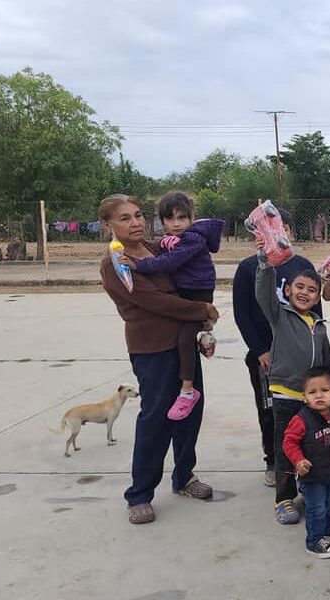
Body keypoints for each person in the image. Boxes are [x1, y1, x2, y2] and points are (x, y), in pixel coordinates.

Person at [98, 194, 218, 525]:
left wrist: (200, 329)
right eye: (125, 218)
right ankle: (139, 493)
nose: (135, 222)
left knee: (190, 409)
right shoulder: (115, 263)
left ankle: (184, 477)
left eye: (138, 215)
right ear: (109, 225)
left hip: (183, 342)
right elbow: (156, 301)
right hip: (152, 348)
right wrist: (203, 310)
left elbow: (186, 282)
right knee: (156, 419)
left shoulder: (157, 248)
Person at [232, 207, 321, 487]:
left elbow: (315, 311)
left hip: (298, 359)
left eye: (278, 228)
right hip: (266, 358)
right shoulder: (249, 268)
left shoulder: (303, 265)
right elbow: (242, 314)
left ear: (289, 232)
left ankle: (306, 459)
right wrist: (260, 350)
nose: (272, 234)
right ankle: (273, 460)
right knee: (270, 411)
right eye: (264, 229)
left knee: (306, 410)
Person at [122, 191, 224, 420]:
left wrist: (138, 265)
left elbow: (171, 261)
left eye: (181, 218)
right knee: (187, 332)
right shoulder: (172, 240)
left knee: (185, 338)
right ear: (163, 221)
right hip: (186, 290)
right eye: (170, 219)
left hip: (197, 291)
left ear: (191, 217)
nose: (176, 224)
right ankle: (205, 336)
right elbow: (160, 249)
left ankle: (188, 391)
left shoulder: (194, 239)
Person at [256, 241, 330, 525]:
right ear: (287, 291)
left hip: (312, 400)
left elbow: (325, 362)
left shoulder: (319, 325)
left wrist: (329, 390)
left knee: (312, 448)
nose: (305, 293)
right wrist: (265, 263)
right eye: (299, 287)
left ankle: (312, 493)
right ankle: (284, 499)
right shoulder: (280, 316)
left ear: (317, 297)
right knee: (286, 449)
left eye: (312, 290)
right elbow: (263, 294)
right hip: (286, 396)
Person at [282, 367, 330, 558]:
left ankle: (328, 529)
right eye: (312, 392)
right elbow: (289, 441)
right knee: (316, 508)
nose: (319, 396)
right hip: (311, 475)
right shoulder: (301, 419)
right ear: (304, 396)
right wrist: (299, 460)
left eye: (325, 390)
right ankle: (313, 541)